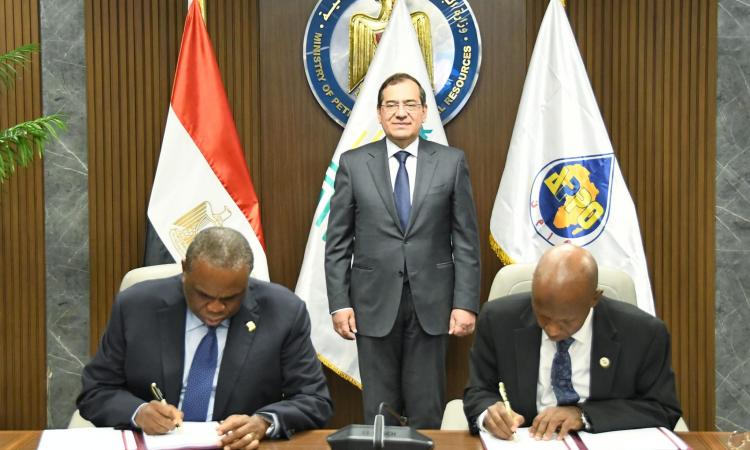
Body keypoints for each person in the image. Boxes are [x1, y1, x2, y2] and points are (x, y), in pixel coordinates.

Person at [78, 227, 333, 449]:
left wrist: (264, 422)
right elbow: (96, 390)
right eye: (203, 295)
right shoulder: (136, 306)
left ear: (247, 280)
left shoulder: (283, 312)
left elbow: (314, 400)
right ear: (184, 270)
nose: (215, 308)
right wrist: (139, 412)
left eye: (230, 298)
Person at [325, 72, 481, 428]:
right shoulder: (353, 164)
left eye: (410, 104)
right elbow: (337, 243)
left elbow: (466, 240)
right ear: (379, 114)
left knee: (427, 408)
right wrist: (339, 302)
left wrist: (465, 303)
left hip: (433, 303)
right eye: (391, 105)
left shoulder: (451, 162)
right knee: (379, 410)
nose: (400, 112)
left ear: (424, 112)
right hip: (372, 303)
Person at [463, 244, 682, 440]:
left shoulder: (643, 333)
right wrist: (488, 414)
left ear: (594, 299)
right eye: (543, 316)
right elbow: (478, 391)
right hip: (527, 440)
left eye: (566, 321)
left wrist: (584, 415)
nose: (552, 330)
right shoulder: (498, 320)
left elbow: (662, 409)